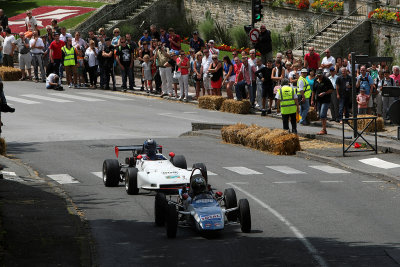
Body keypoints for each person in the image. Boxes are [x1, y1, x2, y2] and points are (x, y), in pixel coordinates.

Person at [311, 68, 334, 135]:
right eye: (318, 76)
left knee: (322, 114)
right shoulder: (315, 80)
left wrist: (325, 93)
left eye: (320, 75)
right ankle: (324, 129)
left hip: (326, 99)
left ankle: (324, 129)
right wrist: (312, 100)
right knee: (321, 115)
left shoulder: (326, 80)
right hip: (319, 100)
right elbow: (313, 91)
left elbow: (331, 89)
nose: (319, 77)